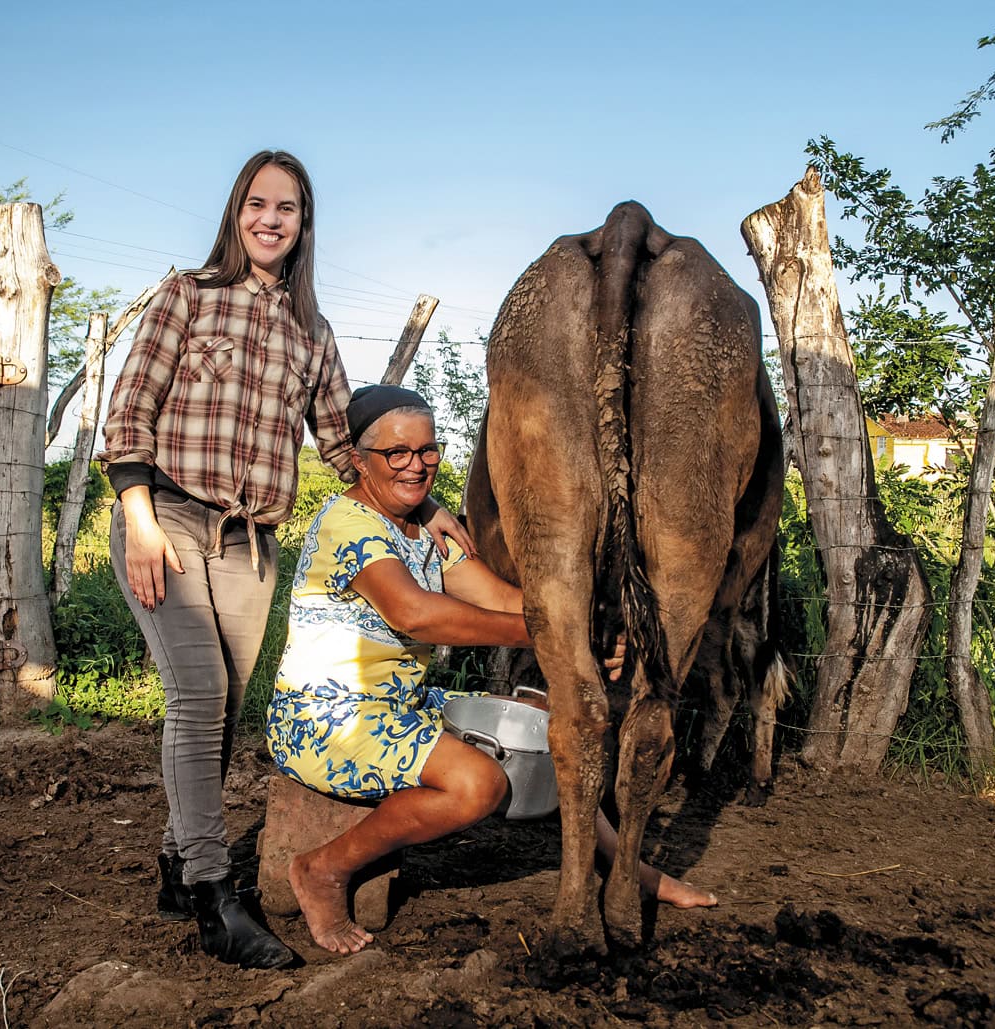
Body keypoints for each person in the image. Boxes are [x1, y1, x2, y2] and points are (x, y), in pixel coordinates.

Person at [98, 151, 471, 970]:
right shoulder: (187, 296)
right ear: (237, 213)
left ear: (304, 225)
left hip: (251, 541)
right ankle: (210, 893)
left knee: (223, 706)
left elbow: (345, 442)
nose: (271, 219)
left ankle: (171, 860)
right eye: (258, 204)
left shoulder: (312, 331)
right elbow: (130, 411)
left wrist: (430, 503)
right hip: (168, 517)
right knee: (196, 693)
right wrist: (139, 519)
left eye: (288, 209)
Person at [266, 385, 717, 957]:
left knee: (549, 720)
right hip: (325, 718)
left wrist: (583, 623)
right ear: (360, 460)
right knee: (479, 784)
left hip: (399, 707)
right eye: (397, 453)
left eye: (428, 451)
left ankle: (631, 871)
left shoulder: (425, 529)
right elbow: (417, 614)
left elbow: (499, 598)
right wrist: (556, 635)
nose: (417, 465)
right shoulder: (347, 525)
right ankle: (322, 868)